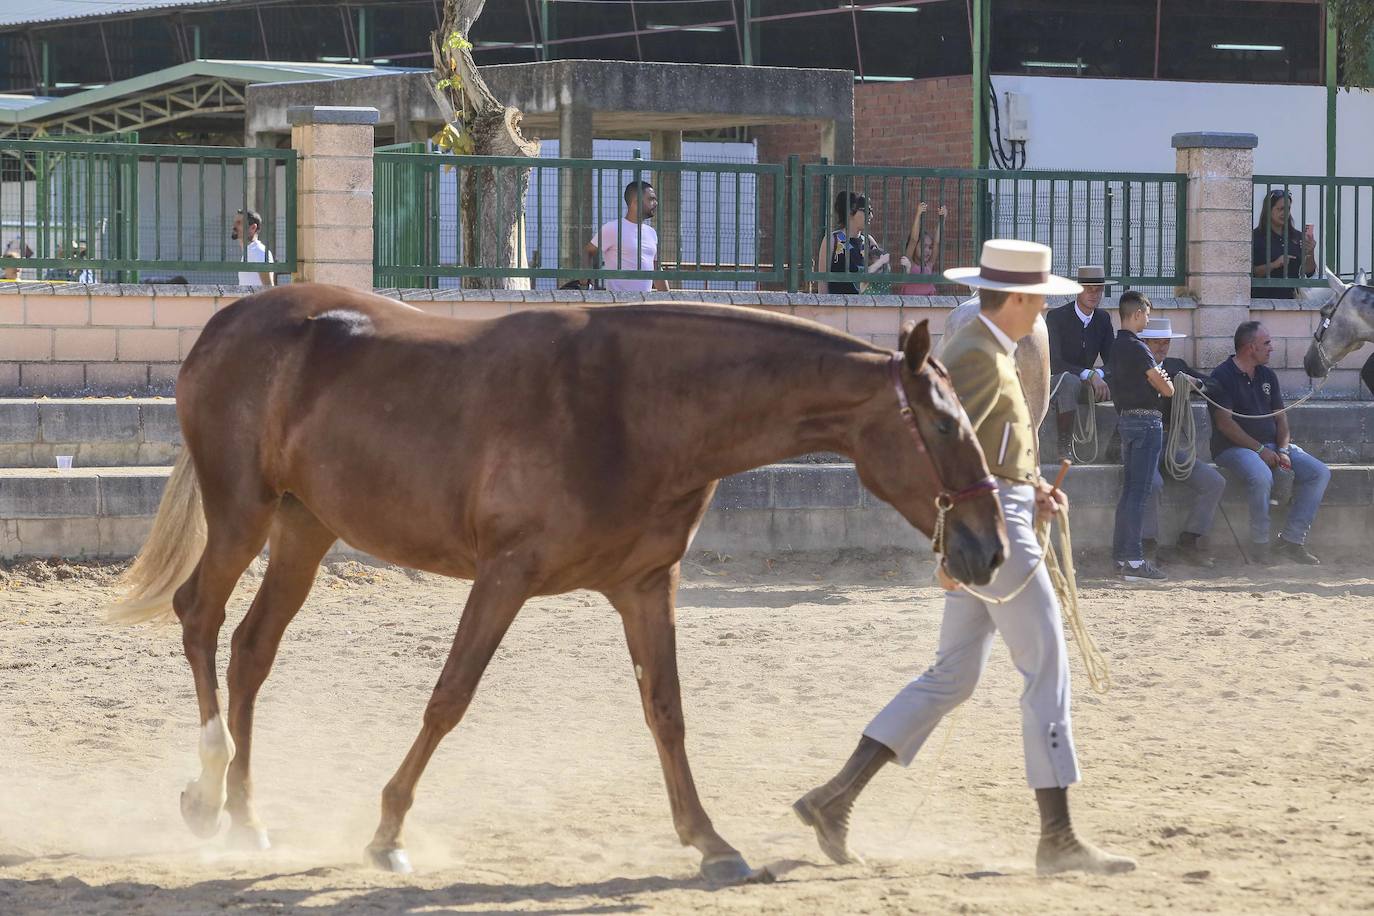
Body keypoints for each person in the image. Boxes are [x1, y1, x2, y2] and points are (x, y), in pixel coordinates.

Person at [793, 239, 1136, 877]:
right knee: (1046, 670)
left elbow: (990, 446)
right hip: (992, 527)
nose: (1041, 309)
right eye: (1037, 299)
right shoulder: (975, 355)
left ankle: (835, 797)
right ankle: (1057, 838)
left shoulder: (989, 350)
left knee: (953, 677)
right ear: (1017, 299)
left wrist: (1030, 486)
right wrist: (955, 541)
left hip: (996, 515)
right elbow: (940, 456)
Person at [1208, 321, 1331, 564]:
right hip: (1233, 449)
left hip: (1271, 446)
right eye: (1266, 343)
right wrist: (1260, 449)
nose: (1271, 348)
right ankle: (1260, 544)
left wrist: (1283, 449)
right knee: (1261, 475)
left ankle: (1291, 540)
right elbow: (1225, 424)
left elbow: (1281, 420)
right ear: (1250, 347)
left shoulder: (1267, 375)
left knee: (1319, 472)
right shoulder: (1221, 376)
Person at [1135, 317, 1223, 568]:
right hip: (1141, 441)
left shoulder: (1176, 367)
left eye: (1166, 343)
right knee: (1152, 484)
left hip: (1168, 444)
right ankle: (1148, 543)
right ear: (1144, 343)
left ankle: (1190, 540)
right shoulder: (1133, 366)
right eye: (1156, 343)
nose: (1162, 348)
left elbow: (1216, 385)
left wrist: (1197, 384)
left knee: (1214, 482)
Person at [1106, 292, 1173, 581]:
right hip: (1146, 423)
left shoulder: (1115, 346)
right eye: (1146, 313)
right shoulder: (1138, 348)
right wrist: (1165, 385)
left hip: (1126, 421)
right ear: (1136, 314)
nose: (1148, 318)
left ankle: (1122, 557)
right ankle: (1134, 560)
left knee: (1129, 492)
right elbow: (1166, 388)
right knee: (1138, 493)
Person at [1045, 266, 1114, 457]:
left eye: (1098, 289)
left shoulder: (1103, 319)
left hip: (1090, 383)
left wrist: (1099, 374)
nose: (1093, 294)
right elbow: (1055, 361)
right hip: (1059, 382)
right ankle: (1064, 444)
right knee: (1069, 381)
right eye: (1088, 288)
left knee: (1126, 377)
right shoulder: (1056, 317)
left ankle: (1116, 445)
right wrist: (1088, 374)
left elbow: (1113, 360)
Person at [585, 180, 668, 293]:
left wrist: (669, 299)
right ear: (636, 202)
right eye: (651, 199)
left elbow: (656, 269)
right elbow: (588, 251)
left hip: (644, 303)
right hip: (619, 304)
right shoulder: (613, 228)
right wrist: (584, 281)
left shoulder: (651, 233)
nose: (656, 203)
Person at [816, 191, 889, 295]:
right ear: (851, 211)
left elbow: (879, 277)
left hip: (864, 307)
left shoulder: (869, 241)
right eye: (867, 211)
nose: (871, 216)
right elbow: (823, 281)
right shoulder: (833, 240)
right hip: (838, 306)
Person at [1251, 189, 1316, 300]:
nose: (1285, 213)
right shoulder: (1255, 237)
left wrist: (1310, 252)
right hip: (1262, 301)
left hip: (1292, 302)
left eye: (1288, 209)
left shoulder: (1297, 236)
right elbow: (1251, 273)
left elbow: (1308, 272)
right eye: (1280, 209)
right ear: (1269, 210)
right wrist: (1274, 265)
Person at [893, 201, 946, 296]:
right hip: (910, 306)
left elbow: (937, 243)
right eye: (923, 246)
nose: (927, 251)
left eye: (930, 247)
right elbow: (913, 239)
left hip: (928, 306)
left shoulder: (929, 265)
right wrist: (918, 214)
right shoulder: (909, 262)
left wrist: (942, 219)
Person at [232, 209, 276, 288]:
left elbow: (269, 288)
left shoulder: (259, 252)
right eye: (235, 222)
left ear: (253, 228)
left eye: (239, 223)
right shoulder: (250, 251)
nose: (234, 226)